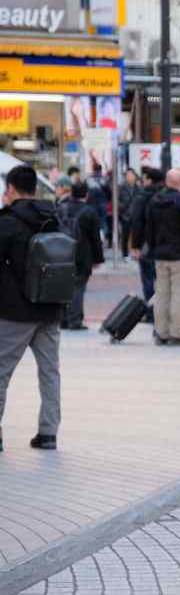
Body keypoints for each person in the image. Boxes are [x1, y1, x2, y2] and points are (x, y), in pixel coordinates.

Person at [0, 166, 63, 451]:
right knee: (49, 371)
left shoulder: (8, 222)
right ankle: (48, 433)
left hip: (15, 312)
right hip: (50, 308)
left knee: (1, 371)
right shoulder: (53, 218)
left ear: (12, 189)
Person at [145, 168, 180, 346]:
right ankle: (176, 333)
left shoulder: (154, 202)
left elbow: (150, 229)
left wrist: (153, 249)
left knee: (161, 294)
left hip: (161, 255)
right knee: (179, 295)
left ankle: (161, 332)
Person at [58, 182, 104, 331]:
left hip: (61, 254)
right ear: (86, 195)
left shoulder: (61, 208)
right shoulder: (89, 212)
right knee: (78, 288)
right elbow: (95, 239)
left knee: (63, 287)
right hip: (82, 256)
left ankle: (63, 318)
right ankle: (75, 320)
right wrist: (98, 259)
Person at [130, 167, 164, 323]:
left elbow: (137, 222)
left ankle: (151, 313)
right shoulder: (166, 195)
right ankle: (164, 312)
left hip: (146, 243)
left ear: (149, 180)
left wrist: (135, 245)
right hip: (166, 244)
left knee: (149, 279)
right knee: (164, 280)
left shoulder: (142, 196)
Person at [118, 168, 140, 260]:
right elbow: (117, 200)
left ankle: (135, 253)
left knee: (136, 235)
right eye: (128, 175)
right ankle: (125, 254)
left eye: (131, 175)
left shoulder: (138, 187)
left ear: (135, 176)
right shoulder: (121, 187)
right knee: (125, 235)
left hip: (136, 214)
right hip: (125, 215)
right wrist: (122, 208)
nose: (130, 177)